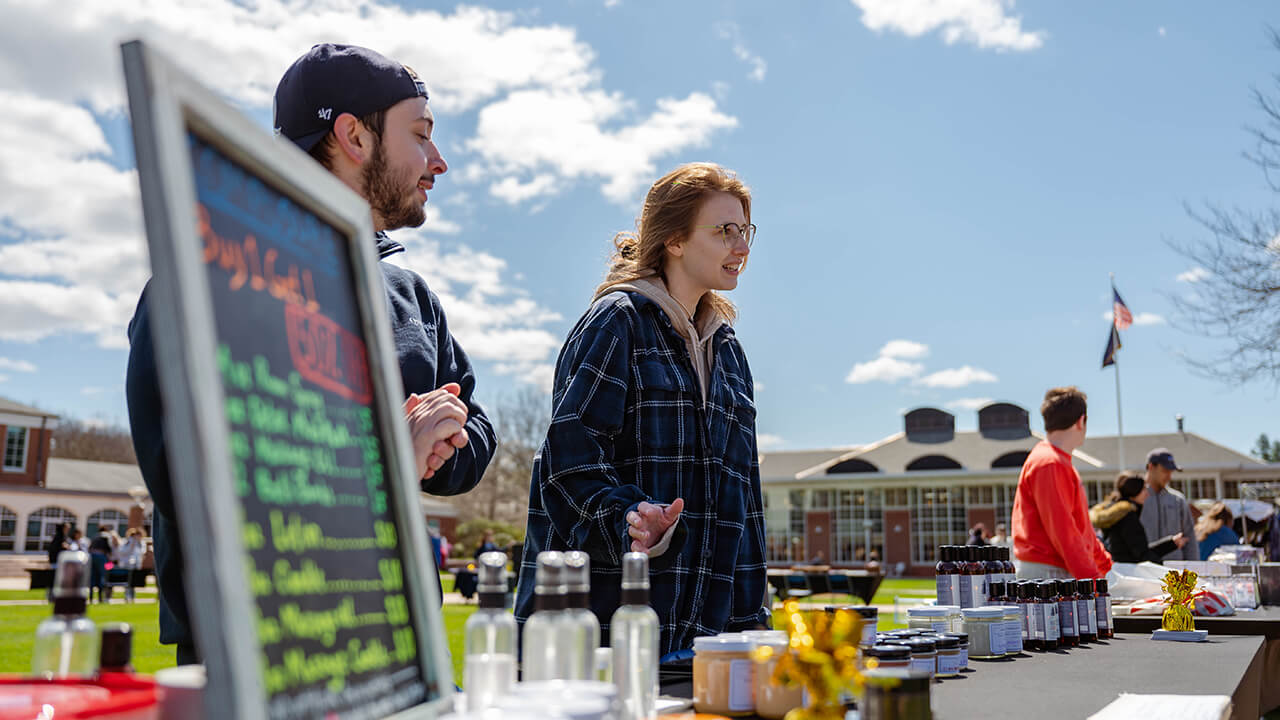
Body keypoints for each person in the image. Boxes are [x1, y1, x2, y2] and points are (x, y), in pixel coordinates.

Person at [126, 43, 497, 665]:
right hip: (264, 657)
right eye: (421, 135)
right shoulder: (211, 273)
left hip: (400, 651)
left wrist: (447, 434)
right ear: (354, 135)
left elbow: (474, 418)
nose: (440, 161)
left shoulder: (409, 292)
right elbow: (195, 477)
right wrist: (388, 457)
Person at [515, 163, 768, 658]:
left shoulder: (731, 353)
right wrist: (631, 518)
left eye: (745, 232)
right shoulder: (615, 323)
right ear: (674, 239)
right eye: (723, 232)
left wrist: (753, 624)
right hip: (598, 639)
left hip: (705, 646)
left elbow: (747, 503)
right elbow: (569, 466)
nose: (741, 248)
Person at [1012, 387, 1112, 579]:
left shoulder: (1056, 461)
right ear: (1081, 421)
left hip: (1054, 570)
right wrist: (1093, 581)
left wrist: (1107, 567)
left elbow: (1082, 531)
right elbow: (1064, 533)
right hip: (1049, 573)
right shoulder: (1050, 463)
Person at [1090, 472, 1185, 563]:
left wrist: (1171, 543)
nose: (1147, 493)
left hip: (1119, 570)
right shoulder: (1128, 516)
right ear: (1134, 491)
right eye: (1144, 489)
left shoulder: (1119, 514)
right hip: (1127, 572)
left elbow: (1138, 550)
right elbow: (1141, 555)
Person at [1138, 448, 1199, 562]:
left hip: (1174, 572)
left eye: (1171, 472)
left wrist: (1193, 569)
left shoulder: (1178, 499)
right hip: (1145, 570)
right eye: (1165, 470)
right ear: (1151, 467)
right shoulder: (1137, 499)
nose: (1169, 476)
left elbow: (1189, 536)